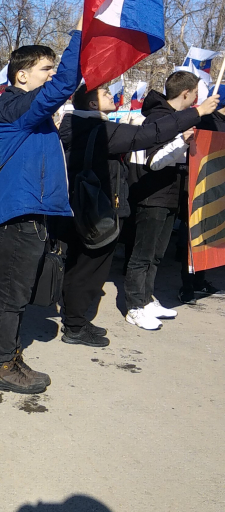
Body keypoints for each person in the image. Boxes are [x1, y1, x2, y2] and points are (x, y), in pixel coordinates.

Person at [58, 83, 218, 344]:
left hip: (88, 208)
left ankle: (76, 319)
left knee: (83, 265)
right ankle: (75, 326)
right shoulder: (96, 130)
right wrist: (197, 112)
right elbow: (148, 135)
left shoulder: (84, 126)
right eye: (106, 93)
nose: (113, 95)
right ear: (92, 105)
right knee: (89, 270)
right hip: (96, 213)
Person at [0, 17, 83, 394]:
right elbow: (64, 85)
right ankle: (1, 366)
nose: (52, 74)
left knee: (17, 295)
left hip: (28, 217)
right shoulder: (14, 107)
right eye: (45, 69)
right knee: (10, 296)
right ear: (21, 77)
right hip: (14, 219)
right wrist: (80, 34)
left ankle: (9, 355)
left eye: (53, 67)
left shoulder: (30, 116)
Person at [124, 71, 203, 329]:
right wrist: (182, 140)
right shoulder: (159, 119)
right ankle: (134, 306)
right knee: (143, 254)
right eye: (196, 92)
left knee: (156, 253)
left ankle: (146, 299)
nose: (197, 97)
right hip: (153, 195)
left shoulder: (175, 118)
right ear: (186, 94)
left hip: (170, 195)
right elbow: (155, 161)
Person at [177, 84, 225, 305]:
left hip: (219, 189)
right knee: (193, 236)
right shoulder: (206, 120)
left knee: (212, 236)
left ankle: (201, 281)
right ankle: (186, 285)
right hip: (199, 187)